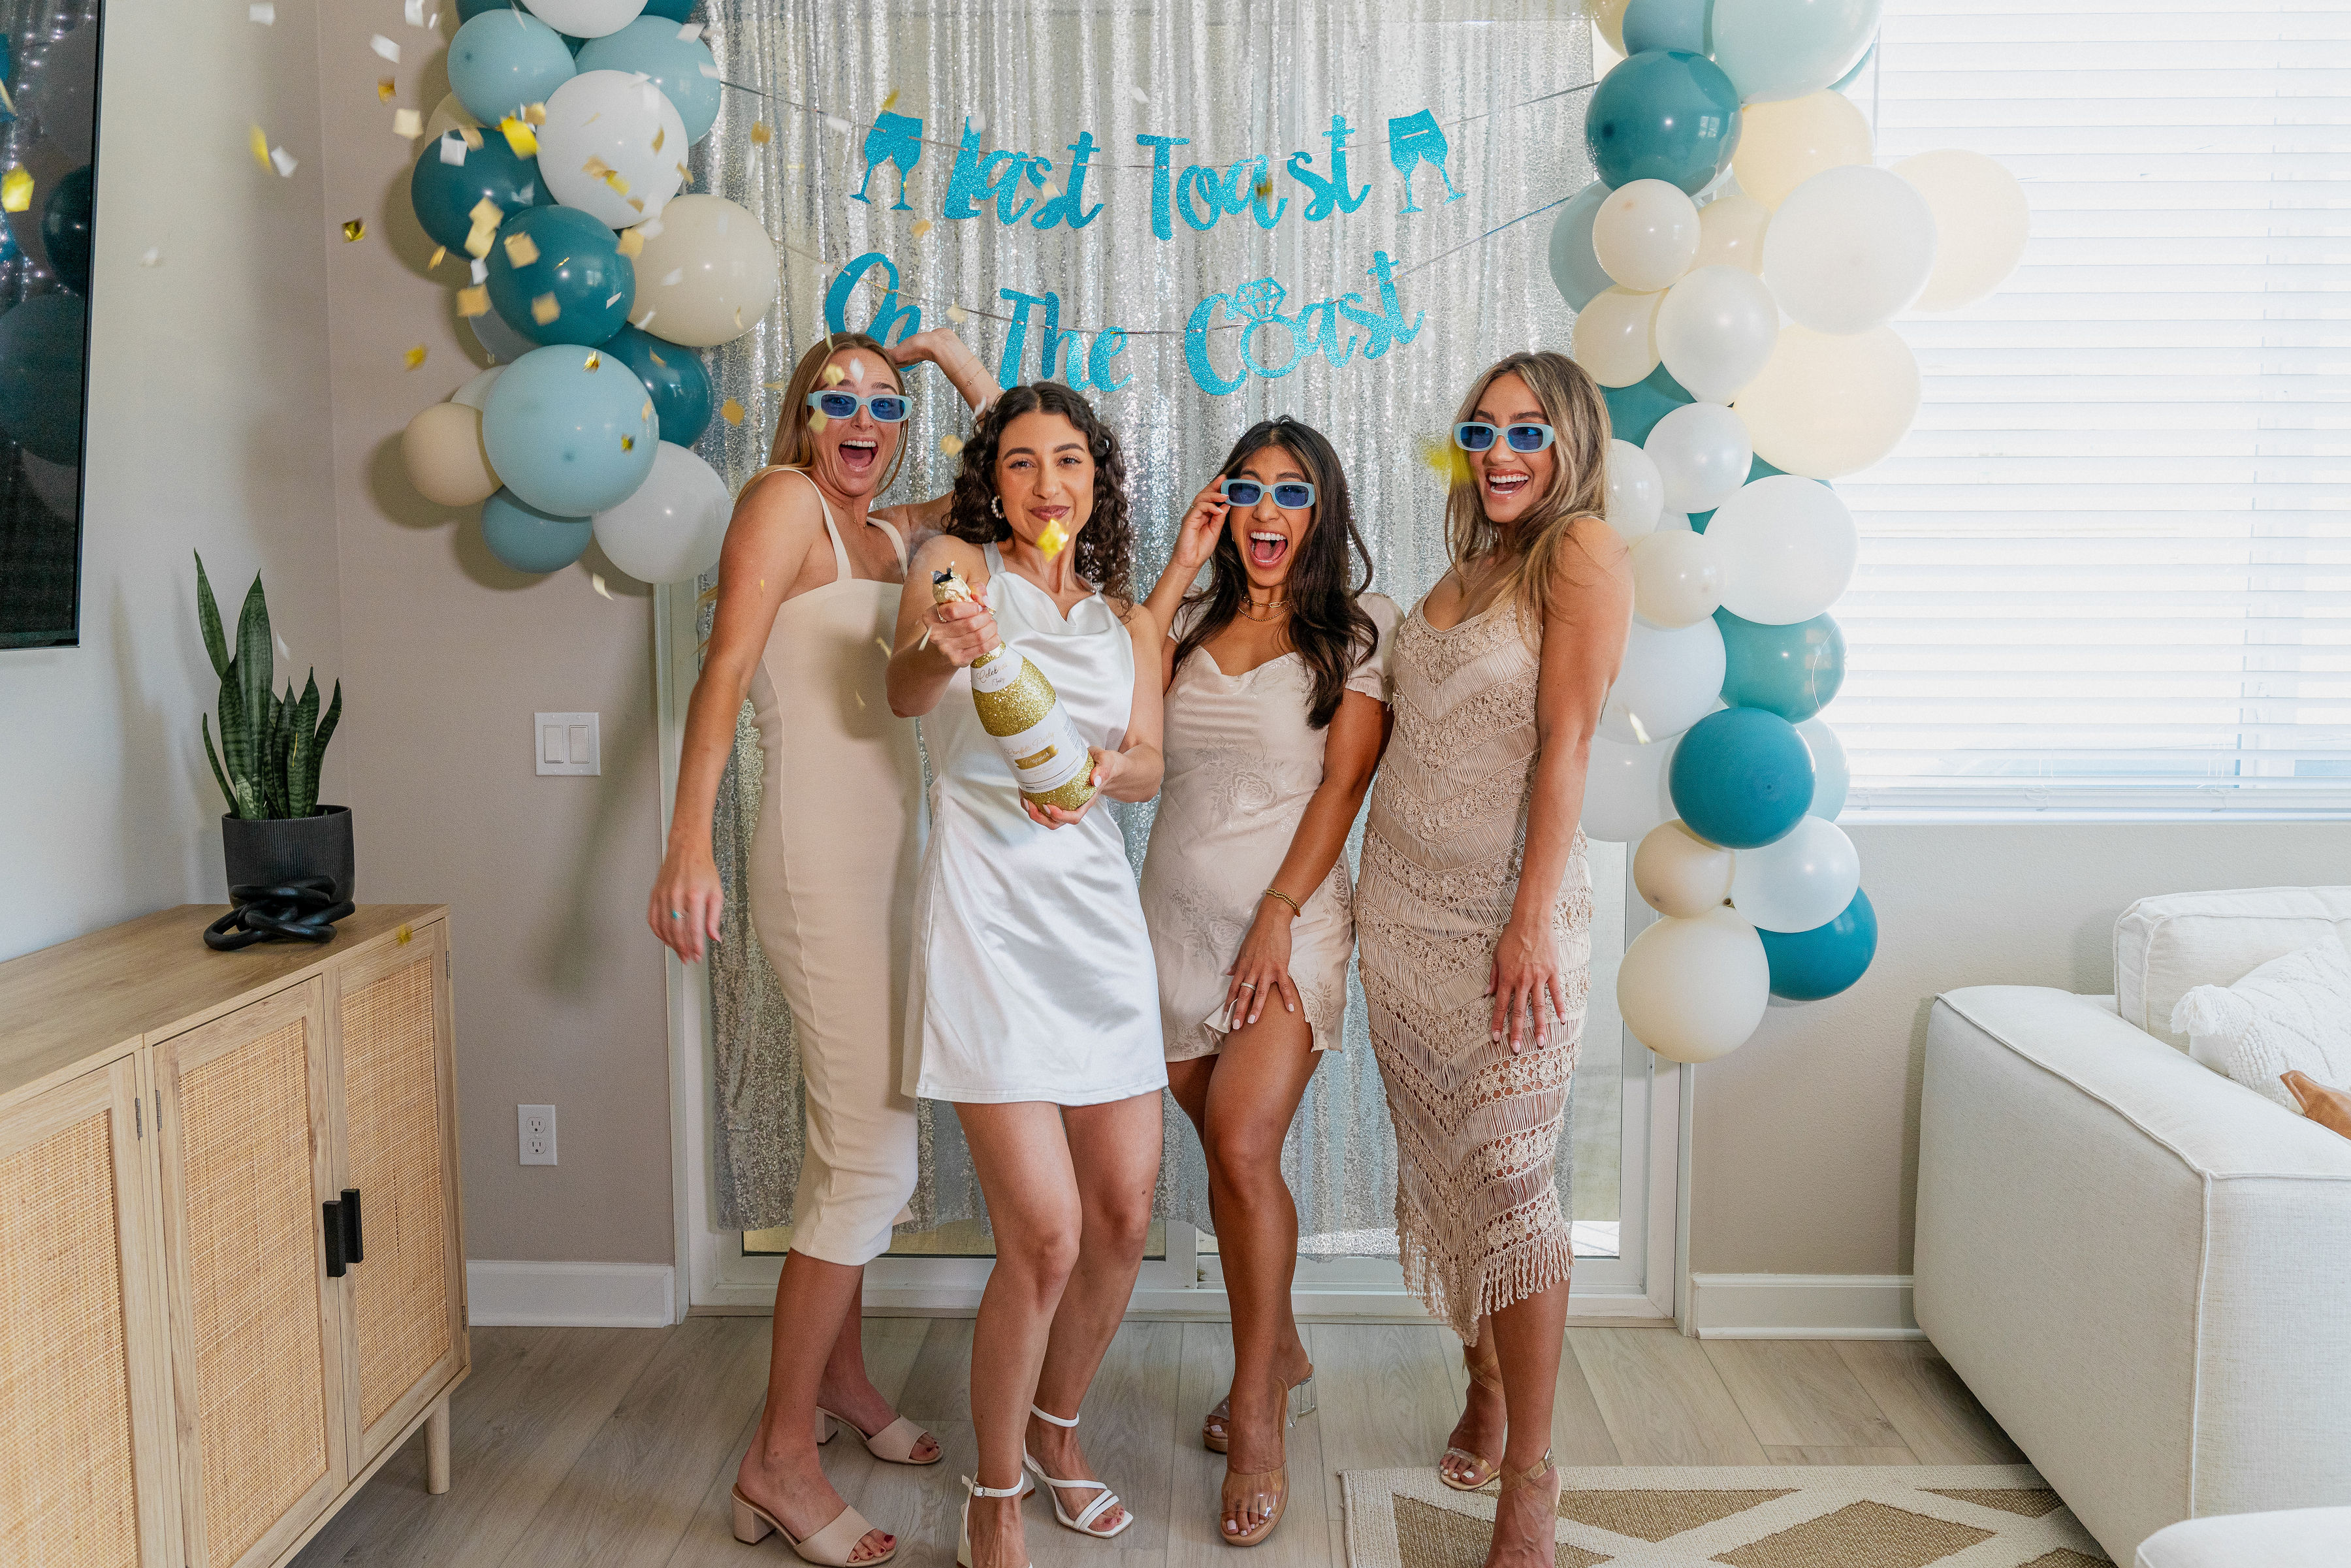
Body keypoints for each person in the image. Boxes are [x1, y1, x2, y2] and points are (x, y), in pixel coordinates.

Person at [648, 326, 995, 1567]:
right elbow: (723, 670)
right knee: (870, 1160)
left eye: (886, 403)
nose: (864, 418)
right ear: (801, 416)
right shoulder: (783, 502)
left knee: (850, 1135)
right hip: (813, 861)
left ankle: (844, 1378)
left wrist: (956, 360)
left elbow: (1013, 462)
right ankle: (778, 1458)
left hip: (899, 865)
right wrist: (690, 843)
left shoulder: (894, 536)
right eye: (839, 398)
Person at [1355, 351, 1634, 1568]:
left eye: (1529, 429)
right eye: (1483, 429)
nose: (1503, 449)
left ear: (1572, 441)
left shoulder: (1580, 554)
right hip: (1400, 920)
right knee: (1454, 1172)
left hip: (1510, 926)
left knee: (1517, 1179)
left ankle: (1534, 1471)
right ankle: (1480, 1379)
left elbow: (1566, 745)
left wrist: (1527, 921)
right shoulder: (1465, 569)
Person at [886, 383, 1168, 1568]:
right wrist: (938, 649)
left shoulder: (1124, 622)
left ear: (1097, 480)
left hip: (1098, 924)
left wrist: (1108, 774)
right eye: (1020, 462)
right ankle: (994, 1493)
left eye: (1069, 461)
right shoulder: (957, 569)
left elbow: (1148, 764)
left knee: (1120, 1216)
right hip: (988, 917)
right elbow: (902, 693)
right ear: (990, 481)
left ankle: (1059, 1432)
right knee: (1043, 1236)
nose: (1047, 482)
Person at [1137, 417, 1394, 1546]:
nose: (1269, 511)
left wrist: (1281, 917)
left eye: (1293, 492)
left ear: (1322, 510)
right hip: (1171, 929)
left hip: (1286, 928)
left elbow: (1341, 791)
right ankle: (1277, 1340)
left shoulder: (1356, 633)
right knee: (1222, 1155)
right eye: (1247, 489)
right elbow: (1113, 709)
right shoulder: (1185, 622)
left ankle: (1258, 1407)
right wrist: (1179, 564)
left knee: (1243, 1144)